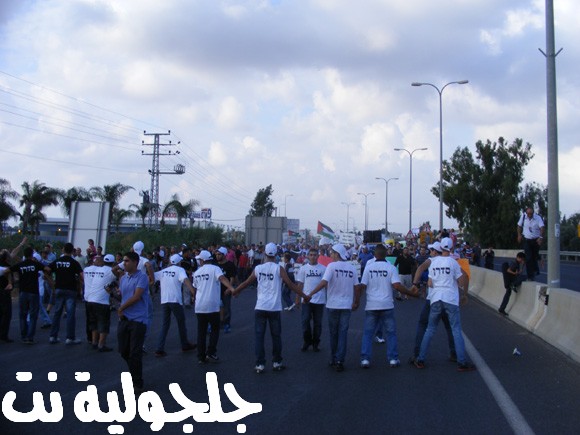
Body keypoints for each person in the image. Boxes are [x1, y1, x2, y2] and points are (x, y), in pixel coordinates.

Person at [234, 242, 308, 373]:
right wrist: (304, 296)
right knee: (276, 336)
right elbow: (290, 284)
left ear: (265, 253)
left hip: (260, 307)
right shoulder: (279, 269)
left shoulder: (258, 268)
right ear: (276, 254)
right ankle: (277, 362)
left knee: (259, 337)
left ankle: (260, 364)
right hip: (274, 308)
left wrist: (236, 291)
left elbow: (246, 282)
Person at [413, 238, 475, 371]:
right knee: (456, 330)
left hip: (436, 299)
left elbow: (430, 283)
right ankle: (461, 361)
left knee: (430, 330)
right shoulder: (453, 263)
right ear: (451, 248)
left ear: (440, 248)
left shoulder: (433, 262)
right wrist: (464, 294)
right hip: (450, 299)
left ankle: (420, 359)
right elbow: (461, 281)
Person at [359, 244, 417, 369]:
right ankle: (393, 359)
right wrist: (411, 293)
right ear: (386, 254)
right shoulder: (391, 268)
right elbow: (397, 286)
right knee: (391, 333)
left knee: (368, 333)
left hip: (371, 305)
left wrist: (356, 301)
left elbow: (362, 286)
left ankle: (365, 359)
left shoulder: (368, 268)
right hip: (386, 304)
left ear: (374, 255)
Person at [309, 243, 359, 372]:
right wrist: (356, 302)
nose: (330, 255)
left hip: (333, 304)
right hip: (346, 305)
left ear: (337, 254)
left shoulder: (331, 266)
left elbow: (323, 283)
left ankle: (333, 358)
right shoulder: (352, 268)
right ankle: (340, 360)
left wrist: (310, 294)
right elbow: (357, 287)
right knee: (343, 333)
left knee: (333, 333)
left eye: (331, 253)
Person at [410, 242, 457, 364]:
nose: (429, 252)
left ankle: (418, 354)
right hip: (448, 299)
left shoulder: (432, 261)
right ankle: (454, 353)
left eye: (431, 250)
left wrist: (415, 284)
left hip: (433, 299)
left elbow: (420, 268)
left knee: (424, 325)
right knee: (450, 327)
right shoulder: (451, 261)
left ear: (435, 251)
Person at [192, 250, 236, 364]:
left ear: (202, 260)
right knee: (215, 330)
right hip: (212, 305)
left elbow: (195, 289)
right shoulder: (215, 269)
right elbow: (222, 279)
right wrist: (231, 288)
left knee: (201, 332)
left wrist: (194, 298)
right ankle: (211, 352)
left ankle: (201, 357)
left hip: (200, 306)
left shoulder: (197, 272)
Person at [117, 251, 151, 394]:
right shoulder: (123, 278)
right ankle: (134, 374)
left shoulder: (142, 277)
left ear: (135, 262)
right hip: (125, 318)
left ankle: (137, 382)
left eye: (127, 261)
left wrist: (121, 308)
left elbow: (137, 297)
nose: (124, 263)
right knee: (123, 351)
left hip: (138, 319)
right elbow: (122, 296)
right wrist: (113, 293)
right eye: (123, 261)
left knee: (135, 352)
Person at [154, 254, 196, 357]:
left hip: (165, 300)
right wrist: (193, 292)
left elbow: (152, 276)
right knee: (181, 322)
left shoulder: (164, 271)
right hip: (175, 300)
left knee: (165, 324)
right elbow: (186, 280)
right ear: (179, 262)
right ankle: (184, 344)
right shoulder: (180, 270)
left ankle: (159, 348)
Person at [46, 243, 84, 345]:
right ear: (72, 251)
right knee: (70, 314)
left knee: (57, 313)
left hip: (58, 289)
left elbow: (47, 270)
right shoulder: (74, 262)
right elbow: (82, 275)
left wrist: (51, 282)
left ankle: (53, 336)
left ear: (63, 250)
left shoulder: (57, 261)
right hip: (71, 290)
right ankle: (70, 338)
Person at [9, 247, 45, 344]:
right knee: (33, 316)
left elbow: (8, 270)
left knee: (22, 315)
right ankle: (30, 337)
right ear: (32, 255)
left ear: (24, 255)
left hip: (23, 292)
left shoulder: (20, 265)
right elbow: (47, 269)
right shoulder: (35, 264)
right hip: (33, 292)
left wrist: (11, 280)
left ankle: (23, 336)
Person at [83, 254, 117, 351]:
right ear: (113, 263)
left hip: (90, 300)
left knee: (94, 322)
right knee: (104, 323)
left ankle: (94, 342)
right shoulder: (111, 271)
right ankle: (101, 345)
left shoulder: (97, 270)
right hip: (102, 301)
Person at [295, 248, 326, 352]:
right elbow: (300, 284)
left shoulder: (323, 269)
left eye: (315, 255)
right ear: (308, 256)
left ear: (318, 256)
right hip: (306, 300)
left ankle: (316, 343)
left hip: (319, 300)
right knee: (305, 321)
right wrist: (297, 298)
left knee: (318, 323)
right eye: (311, 255)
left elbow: (325, 284)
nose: (313, 257)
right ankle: (307, 341)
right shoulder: (303, 268)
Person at [517, 207, 545, 281]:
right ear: (526, 213)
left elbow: (542, 227)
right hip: (527, 240)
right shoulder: (523, 216)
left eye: (531, 214)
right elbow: (519, 226)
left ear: (533, 213)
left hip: (536, 240)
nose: (529, 215)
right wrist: (519, 235)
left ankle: (535, 271)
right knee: (528, 257)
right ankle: (530, 276)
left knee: (534, 256)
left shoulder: (538, 218)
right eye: (528, 214)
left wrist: (541, 237)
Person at [214, 246, 236, 332]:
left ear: (224, 255)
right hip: (216, 290)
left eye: (219, 254)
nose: (217, 256)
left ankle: (227, 324)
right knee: (216, 308)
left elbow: (232, 278)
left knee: (226, 308)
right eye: (216, 254)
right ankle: (217, 323)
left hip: (225, 290)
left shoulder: (230, 265)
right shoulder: (215, 265)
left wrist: (229, 288)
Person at [498, 252, 526, 316]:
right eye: (521, 259)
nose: (522, 261)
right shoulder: (514, 262)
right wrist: (515, 273)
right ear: (518, 257)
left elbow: (519, 272)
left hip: (509, 277)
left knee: (508, 293)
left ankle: (501, 309)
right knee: (524, 277)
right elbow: (508, 270)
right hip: (509, 277)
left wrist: (521, 266)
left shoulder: (517, 263)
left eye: (523, 260)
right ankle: (513, 285)